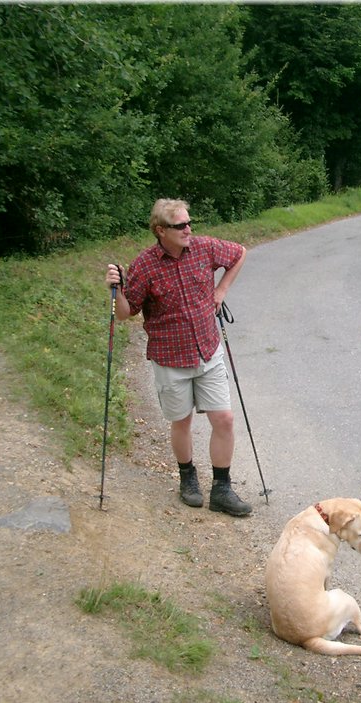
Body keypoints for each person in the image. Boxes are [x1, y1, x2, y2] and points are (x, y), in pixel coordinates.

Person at [104, 198, 253, 517]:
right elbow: (127, 313)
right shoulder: (145, 265)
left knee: (224, 419)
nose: (188, 229)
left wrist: (221, 290)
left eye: (189, 223)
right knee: (181, 420)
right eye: (180, 225)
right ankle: (188, 478)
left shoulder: (204, 247)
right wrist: (114, 291)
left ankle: (222, 489)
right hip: (170, 357)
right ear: (160, 231)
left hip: (207, 349)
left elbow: (239, 253)